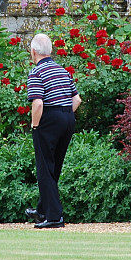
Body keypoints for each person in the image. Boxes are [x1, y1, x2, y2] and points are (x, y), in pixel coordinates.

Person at [24, 33, 81, 229]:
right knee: (53, 166)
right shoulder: (62, 70)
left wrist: (35, 125)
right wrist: (63, 116)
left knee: (44, 168)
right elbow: (77, 100)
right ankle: (42, 210)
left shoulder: (37, 72)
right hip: (67, 118)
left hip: (48, 118)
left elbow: (38, 103)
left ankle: (55, 217)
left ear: (33, 52)